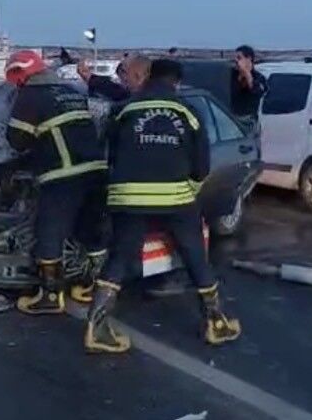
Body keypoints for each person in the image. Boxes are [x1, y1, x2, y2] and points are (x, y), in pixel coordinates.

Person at [84, 58, 241, 353]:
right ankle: (216, 323)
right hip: (175, 199)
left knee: (119, 258)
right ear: (177, 82)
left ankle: (97, 327)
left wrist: (120, 189)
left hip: (128, 197)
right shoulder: (188, 112)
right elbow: (201, 166)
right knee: (195, 256)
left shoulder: (125, 109)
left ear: (149, 77)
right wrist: (187, 191)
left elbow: (108, 154)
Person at [4, 50, 108, 313]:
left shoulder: (30, 96)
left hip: (63, 174)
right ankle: (91, 285)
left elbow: (17, 140)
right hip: (95, 170)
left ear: (19, 75)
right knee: (90, 230)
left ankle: (50, 296)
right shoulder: (71, 91)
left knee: (48, 232)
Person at [230, 45, 268, 120]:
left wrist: (246, 73)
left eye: (239, 58)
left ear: (249, 59)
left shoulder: (259, 78)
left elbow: (257, 92)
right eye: (235, 58)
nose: (236, 61)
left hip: (249, 119)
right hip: (231, 117)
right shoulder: (232, 75)